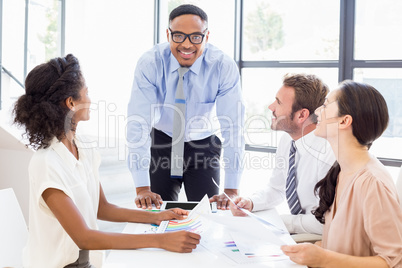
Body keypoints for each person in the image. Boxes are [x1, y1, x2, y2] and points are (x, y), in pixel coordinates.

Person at [13, 54, 201, 268]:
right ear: (71, 103)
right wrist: (161, 241)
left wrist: (157, 217)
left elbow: (102, 208)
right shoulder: (47, 163)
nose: (90, 99)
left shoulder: (83, 149)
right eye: (86, 92)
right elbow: (83, 237)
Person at [127, 4, 244, 210]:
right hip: (162, 142)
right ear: (168, 35)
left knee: (206, 214)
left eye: (196, 37)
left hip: (203, 146)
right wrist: (142, 187)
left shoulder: (223, 66)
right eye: (179, 36)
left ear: (206, 37)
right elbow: (138, 123)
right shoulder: (150, 63)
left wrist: (232, 189)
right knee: (158, 214)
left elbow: (233, 127)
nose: (187, 45)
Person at [281, 81, 402, 267]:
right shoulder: (340, 171)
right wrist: (316, 250)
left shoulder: (372, 183)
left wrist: (323, 259)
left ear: (344, 121)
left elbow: (393, 262)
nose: (318, 111)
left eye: (326, 105)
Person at [230, 73, 335, 235]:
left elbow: (325, 221)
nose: (271, 107)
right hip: (300, 231)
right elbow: (277, 188)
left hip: (321, 238)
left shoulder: (328, 153)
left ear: (302, 115)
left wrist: (277, 222)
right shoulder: (288, 141)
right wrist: (250, 202)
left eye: (278, 102)